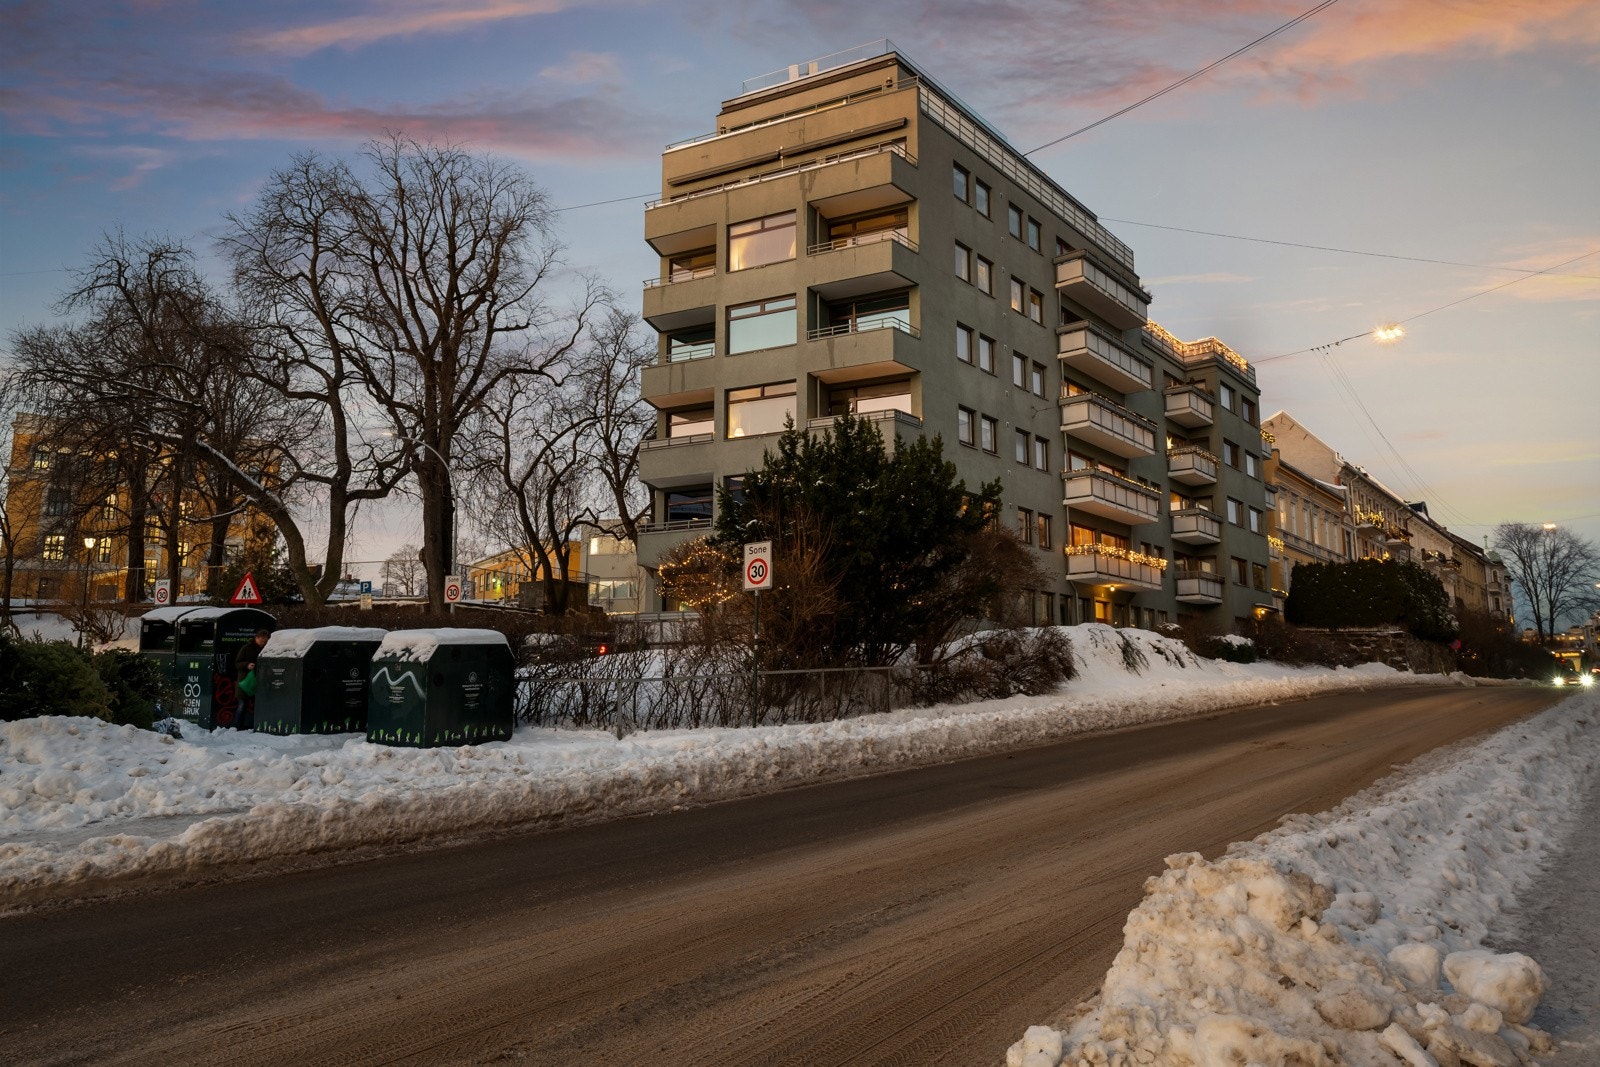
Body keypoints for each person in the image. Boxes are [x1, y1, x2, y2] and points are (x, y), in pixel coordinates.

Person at [233, 628, 270, 728]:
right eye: (262, 641)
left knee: (257, 706)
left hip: (259, 682)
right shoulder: (246, 648)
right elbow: (237, 663)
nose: (263, 643)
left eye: (265, 641)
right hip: (245, 682)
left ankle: (252, 726)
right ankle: (237, 726)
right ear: (256, 638)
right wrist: (247, 665)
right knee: (242, 706)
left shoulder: (267, 649)